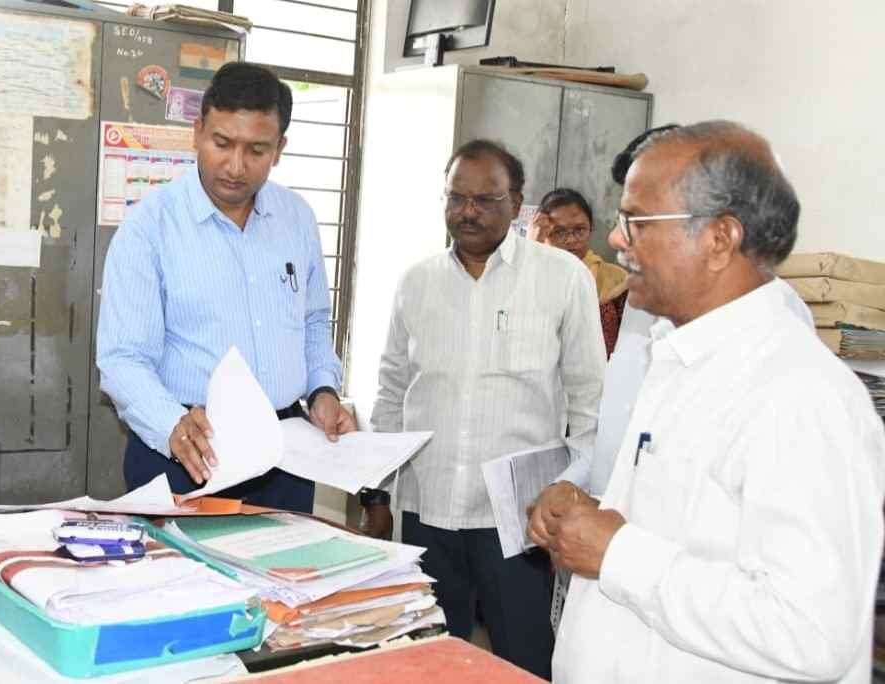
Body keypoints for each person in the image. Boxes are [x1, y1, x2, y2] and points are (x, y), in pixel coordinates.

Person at [536, 121, 885, 682]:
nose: (617, 241)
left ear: (719, 239)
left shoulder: (802, 395)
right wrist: (588, 512)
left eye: (637, 222)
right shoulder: (681, 356)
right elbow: (691, 529)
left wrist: (618, 553)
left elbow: (812, 632)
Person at [370, 139, 605, 679]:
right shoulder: (417, 282)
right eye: (456, 198)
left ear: (516, 203)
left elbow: (591, 404)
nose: (467, 211)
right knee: (429, 663)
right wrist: (377, 493)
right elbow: (392, 392)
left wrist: (569, 492)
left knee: (523, 660)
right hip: (428, 510)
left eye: (484, 199)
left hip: (520, 522)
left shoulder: (562, 278)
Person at [96, 62, 367, 518]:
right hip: (186, 451)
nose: (236, 166)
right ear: (197, 132)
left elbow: (314, 320)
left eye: (256, 150)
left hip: (284, 458)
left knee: (285, 566)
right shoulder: (150, 228)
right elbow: (122, 359)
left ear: (279, 149)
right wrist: (170, 423)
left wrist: (323, 389)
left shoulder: (296, 218)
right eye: (222, 143)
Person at [531, 188, 629, 356]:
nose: (571, 240)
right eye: (559, 232)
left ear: (591, 229)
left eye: (579, 230)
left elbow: (629, 344)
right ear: (543, 234)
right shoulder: (530, 277)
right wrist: (532, 249)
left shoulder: (616, 279)